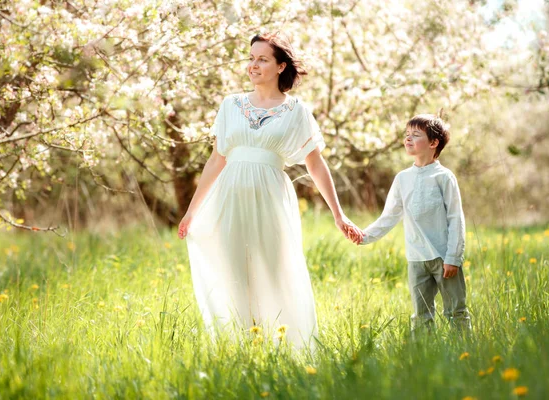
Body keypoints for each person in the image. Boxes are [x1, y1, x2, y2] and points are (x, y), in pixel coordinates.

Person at [178, 32, 362, 348]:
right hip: (229, 197)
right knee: (235, 273)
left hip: (271, 199)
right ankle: (242, 346)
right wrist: (192, 211)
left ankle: (282, 346)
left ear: (280, 67)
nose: (253, 65)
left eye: (262, 59)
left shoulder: (296, 111)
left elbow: (315, 164)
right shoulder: (230, 105)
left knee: (274, 273)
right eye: (251, 58)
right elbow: (216, 160)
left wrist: (338, 214)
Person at [351, 114, 471, 331]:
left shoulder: (443, 177)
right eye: (407, 135)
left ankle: (465, 353)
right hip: (416, 259)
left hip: (444, 257)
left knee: (456, 311)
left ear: (433, 143)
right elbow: (390, 216)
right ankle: (422, 357)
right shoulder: (402, 179)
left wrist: (453, 257)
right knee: (421, 315)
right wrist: (364, 236)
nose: (408, 139)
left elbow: (456, 218)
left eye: (416, 135)